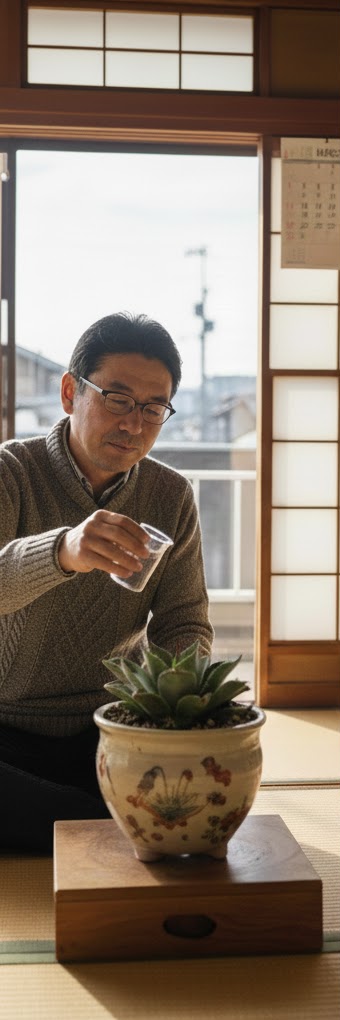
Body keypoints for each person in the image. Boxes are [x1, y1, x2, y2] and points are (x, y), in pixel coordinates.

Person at [0, 312, 213, 852]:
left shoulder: (169, 496)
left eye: (153, 408)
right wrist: (62, 551)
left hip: (112, 730)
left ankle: (90, 825)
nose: (134, 423)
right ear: (71, 392)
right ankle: (105, 826)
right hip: (5, 727)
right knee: (146, 820)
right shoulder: (11, 473)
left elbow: (184, 621)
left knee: (201, 784)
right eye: (116, 398)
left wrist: (179, 710)